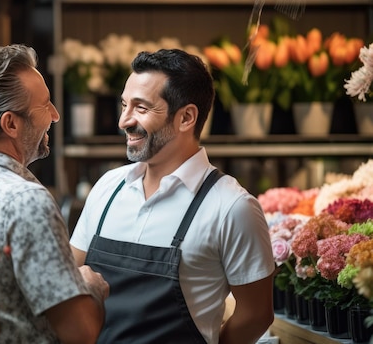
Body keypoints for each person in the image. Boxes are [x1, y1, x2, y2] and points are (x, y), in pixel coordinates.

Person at [70, 48, 275, 344]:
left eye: (141, 108)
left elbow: (256, 315)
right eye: (124, 105)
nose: (124, 121)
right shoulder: (106, 188)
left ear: (186, 117)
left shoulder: (232, 207)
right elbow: (71, 277)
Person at [0, 44, 109, 344]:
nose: (56, 115)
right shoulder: (27, 201)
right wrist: (90, 288)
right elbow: (81, 333)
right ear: (10, 123)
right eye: (45, 104)